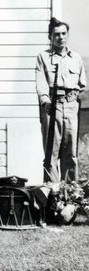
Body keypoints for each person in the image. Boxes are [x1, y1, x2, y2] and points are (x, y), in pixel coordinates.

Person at [35, 17, 86, 183]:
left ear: (68, 35)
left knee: (71, 153)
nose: (61, 37)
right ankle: (52, 194)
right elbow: (41, 83)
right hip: (52, 106)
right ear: (50, 36)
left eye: (64, 33)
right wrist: (46, 100)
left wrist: (74, 97)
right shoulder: (43, 57)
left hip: (71, 106)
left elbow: (82, 84)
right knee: (51, 154)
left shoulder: (76, 58)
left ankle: (71, 196)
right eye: (56, 34)